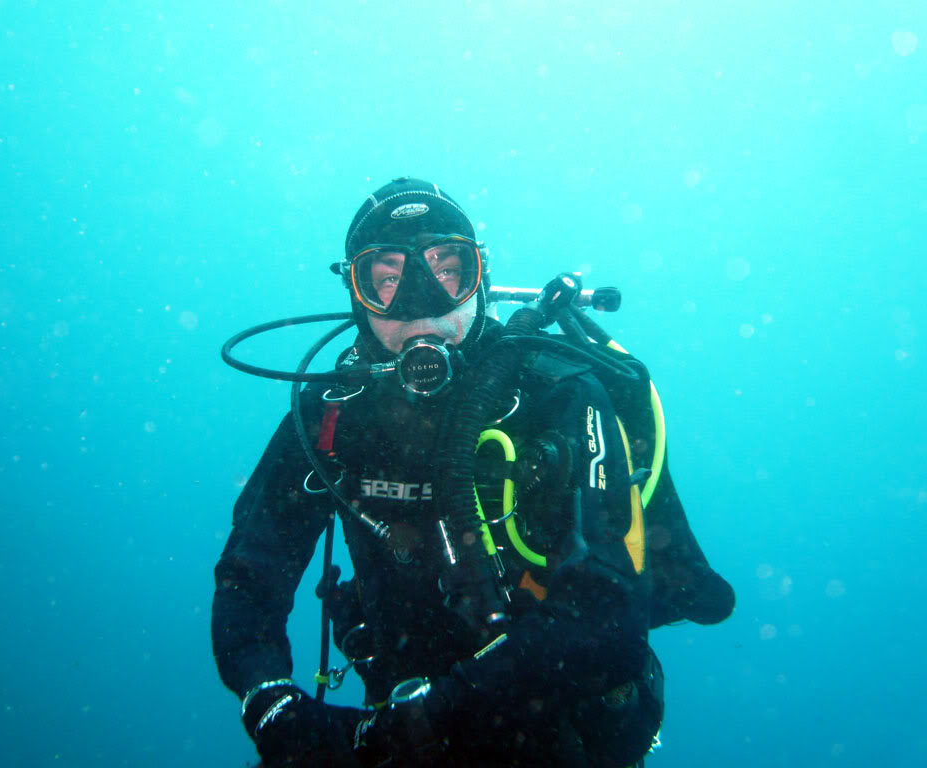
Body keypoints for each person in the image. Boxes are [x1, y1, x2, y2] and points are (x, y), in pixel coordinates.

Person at [212, 177, 735, 767]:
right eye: (385, 278)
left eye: (446, 268)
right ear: (357, 297)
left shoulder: (558, 394)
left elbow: (610, 621)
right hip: (402, 732)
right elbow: (248, 577)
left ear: (478, 278)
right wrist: (270, 702)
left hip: (564, 730)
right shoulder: (330, 419)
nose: (419, 298)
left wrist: (436, 713)